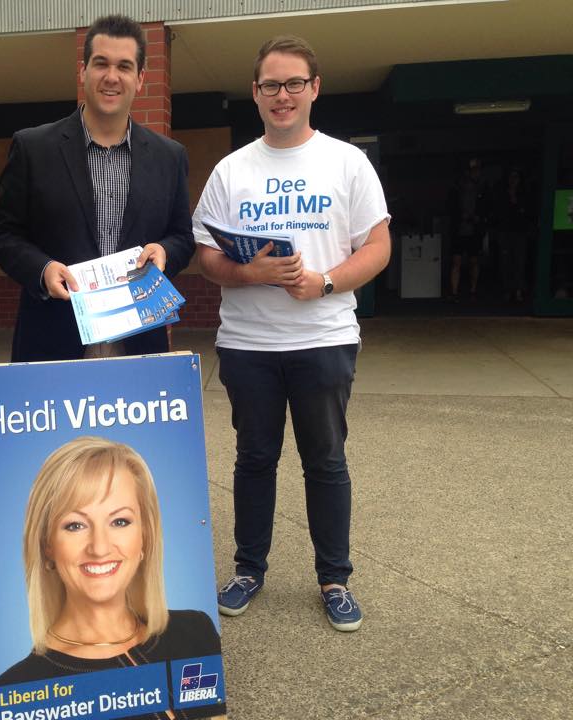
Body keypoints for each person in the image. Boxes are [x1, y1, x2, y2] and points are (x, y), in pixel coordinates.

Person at [192, 36, 391, 631]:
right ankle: (249, 569)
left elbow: (377, 246)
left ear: (314, 88)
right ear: (255, 94)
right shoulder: (232, 170)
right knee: (254, 459)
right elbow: (206, 254)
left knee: (325, 460)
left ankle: (334, 578)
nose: (283, 95)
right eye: (271, 85)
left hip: (325, 338)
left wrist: (326, 282)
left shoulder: (347, 162)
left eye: (294, 83)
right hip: (249, 343)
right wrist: (247, 271)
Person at [0, 14, 194, 362]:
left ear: (141, 78)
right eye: (101, 64)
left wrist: (164, 252)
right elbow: (2, 234)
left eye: (125, 66)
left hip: (138, 344)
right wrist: (42, 269)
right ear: (83, 71)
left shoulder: (169, 157)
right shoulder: (33, 148)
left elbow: (182, 237)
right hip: (53, 343)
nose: (112, 77)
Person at [0, 437, 224, 720]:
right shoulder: (16, 692)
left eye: (119, 521)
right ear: (46, 545)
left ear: (145, 537)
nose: (99, 547)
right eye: (75, 525)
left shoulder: (195, 632)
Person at [448, 157, 489, 301]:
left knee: (474, 261)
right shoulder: (457, 188)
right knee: (456, 261)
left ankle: (473, 290)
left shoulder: (482, 189)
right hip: (459, 229)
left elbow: (486, 209)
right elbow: (451, 208)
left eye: (477, 170)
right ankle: (454, 292)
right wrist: (461, 216)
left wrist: (479, 218)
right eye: (473, 170)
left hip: (474, 230)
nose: (475, 173)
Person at [491, 167, 533, 303]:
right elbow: (498, 212)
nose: (513, 180)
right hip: (505, 232)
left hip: (520, 232)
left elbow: (528, 213)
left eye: (516, 177)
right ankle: (507, 290)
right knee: (505, 262)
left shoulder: (524, 195)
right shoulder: (502, 194)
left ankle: (518, 290)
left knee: (519, 262)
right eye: (511, 177)